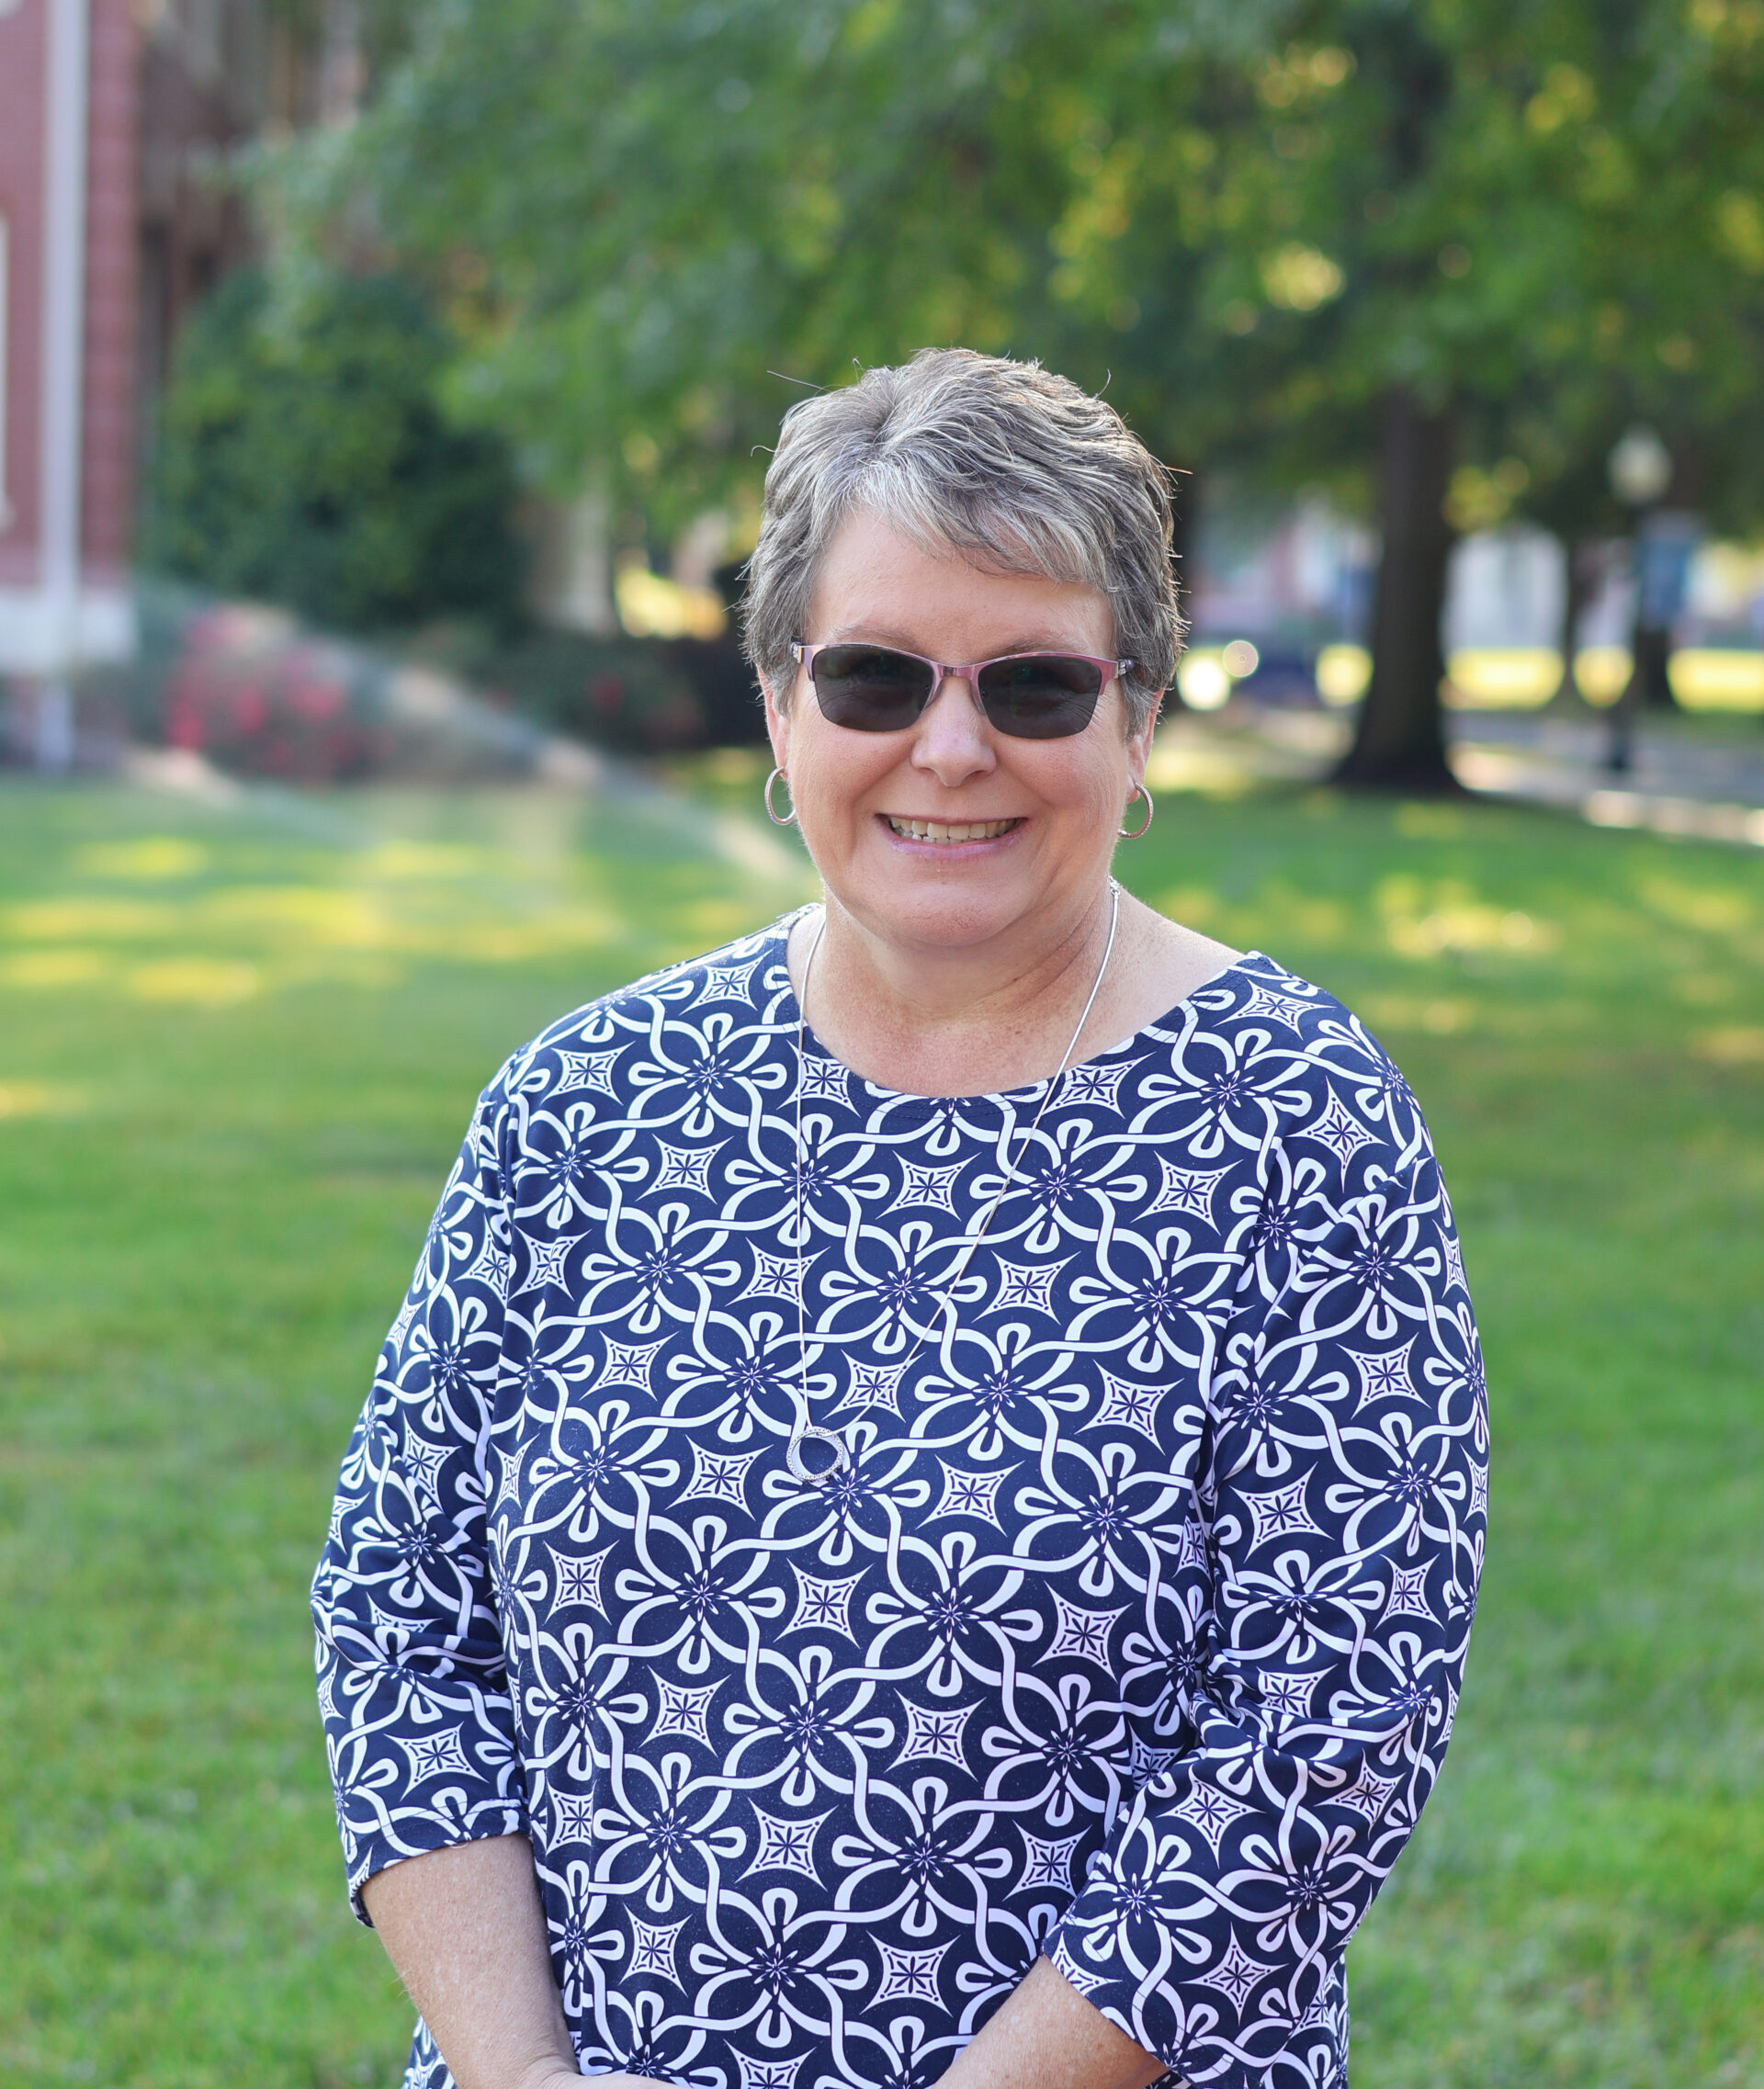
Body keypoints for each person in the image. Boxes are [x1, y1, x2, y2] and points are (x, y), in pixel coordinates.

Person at [313, 347, 1487, 2089]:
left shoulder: (1299, 1120)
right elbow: (398, 1614)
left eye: (1033, 685)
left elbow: (1325, 1733)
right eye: (874, 676)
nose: (950, 747)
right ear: (785, 708)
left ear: (1137, 714)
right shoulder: (585, 1103)